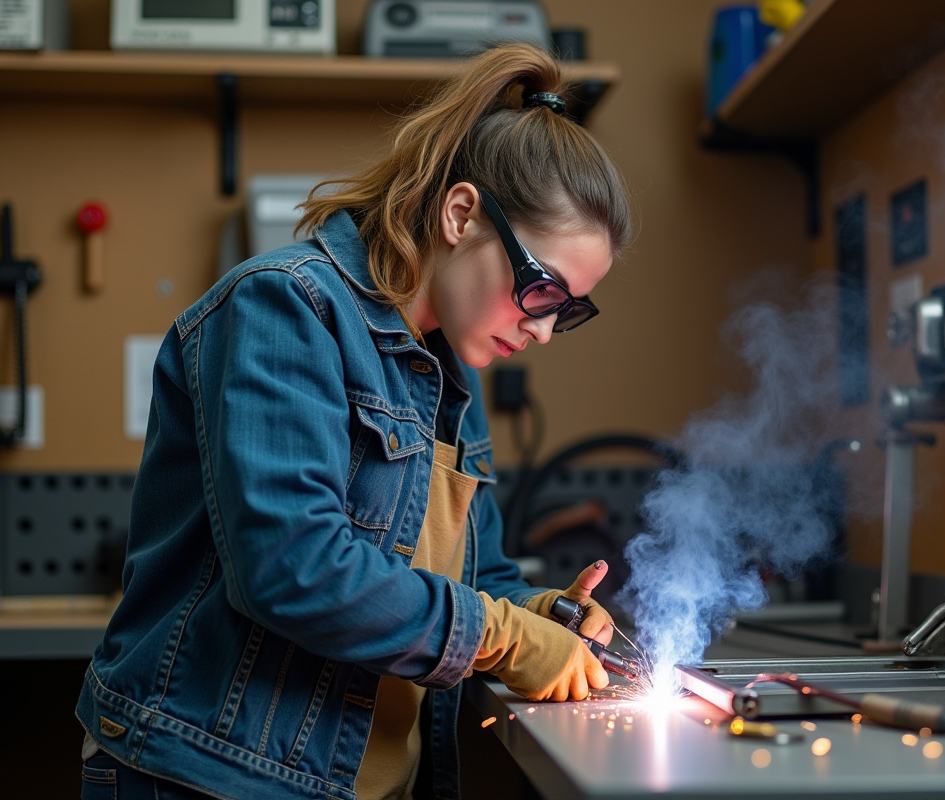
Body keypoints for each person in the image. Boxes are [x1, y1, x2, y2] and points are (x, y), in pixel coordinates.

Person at [77, 43, 632, 800]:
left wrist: (542, 615)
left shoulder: (451, 374)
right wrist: (502, 635)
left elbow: (475, 578)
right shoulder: (284, 308)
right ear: (461, 214)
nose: (541, 329)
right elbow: (293, 566)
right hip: (215, 774)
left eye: (567, 311)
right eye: (542, 290)